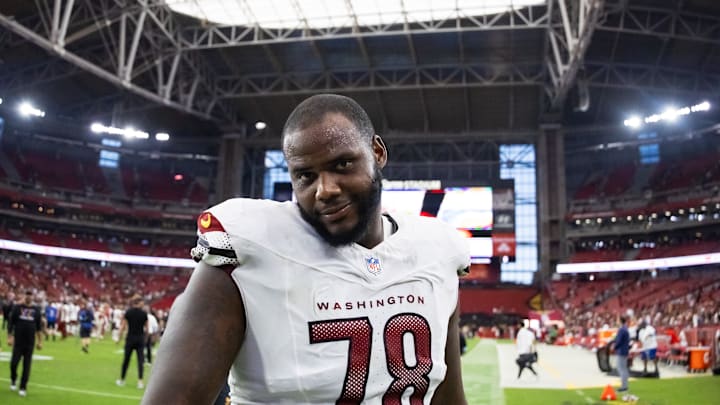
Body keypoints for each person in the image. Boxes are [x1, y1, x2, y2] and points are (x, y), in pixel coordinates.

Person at [142, 93, 470, 404]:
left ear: (378, 153)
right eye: (306, 175)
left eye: (342, 164)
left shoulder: (436, 250)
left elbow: (446, 397)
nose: (325, 190)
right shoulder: (249, 249)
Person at [7, 290, 43, 397]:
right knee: (14, 363)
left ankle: (23, 386)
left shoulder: (36, 310)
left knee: (27, 365)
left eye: (30, 295)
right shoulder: (17, 308)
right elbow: (11, 323)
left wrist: (40, 341)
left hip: (30, 342)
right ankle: (13, 379)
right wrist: (10, 337)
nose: (29, 297)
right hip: (18, 341)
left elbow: (39, 327)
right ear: (24, 296)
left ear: (33, 297)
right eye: (27, 295)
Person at [117, 296, 148, 389]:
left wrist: (119, 337)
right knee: (140, 360)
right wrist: (145, 338)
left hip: (130, 338)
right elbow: (147, 328)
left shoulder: (128, 312)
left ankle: (122, 380)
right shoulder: (144, 314)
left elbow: (123, 326)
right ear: (139, 303)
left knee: (126, 360)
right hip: (140, 338)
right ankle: (140, 381)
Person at [613, 316, 631, 392]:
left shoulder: (621, 330)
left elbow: (619, 341)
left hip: (621, 351)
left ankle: (624, 386)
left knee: (621, 368)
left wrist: (614, 347)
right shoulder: (625, 329)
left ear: (620, 321)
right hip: (625, 350)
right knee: (624, 368)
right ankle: (625, 385)